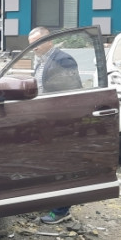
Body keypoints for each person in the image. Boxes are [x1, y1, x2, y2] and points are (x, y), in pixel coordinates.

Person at [27, 26, 83, 224]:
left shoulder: (63, 60)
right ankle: (52, 202)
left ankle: (61, 210)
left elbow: (70, 94)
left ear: (49, 41)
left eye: (37, 43)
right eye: (31, 45)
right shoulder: (41, 61)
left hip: (60, 122)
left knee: (61, 166)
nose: (34, 48)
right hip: (46, 120)